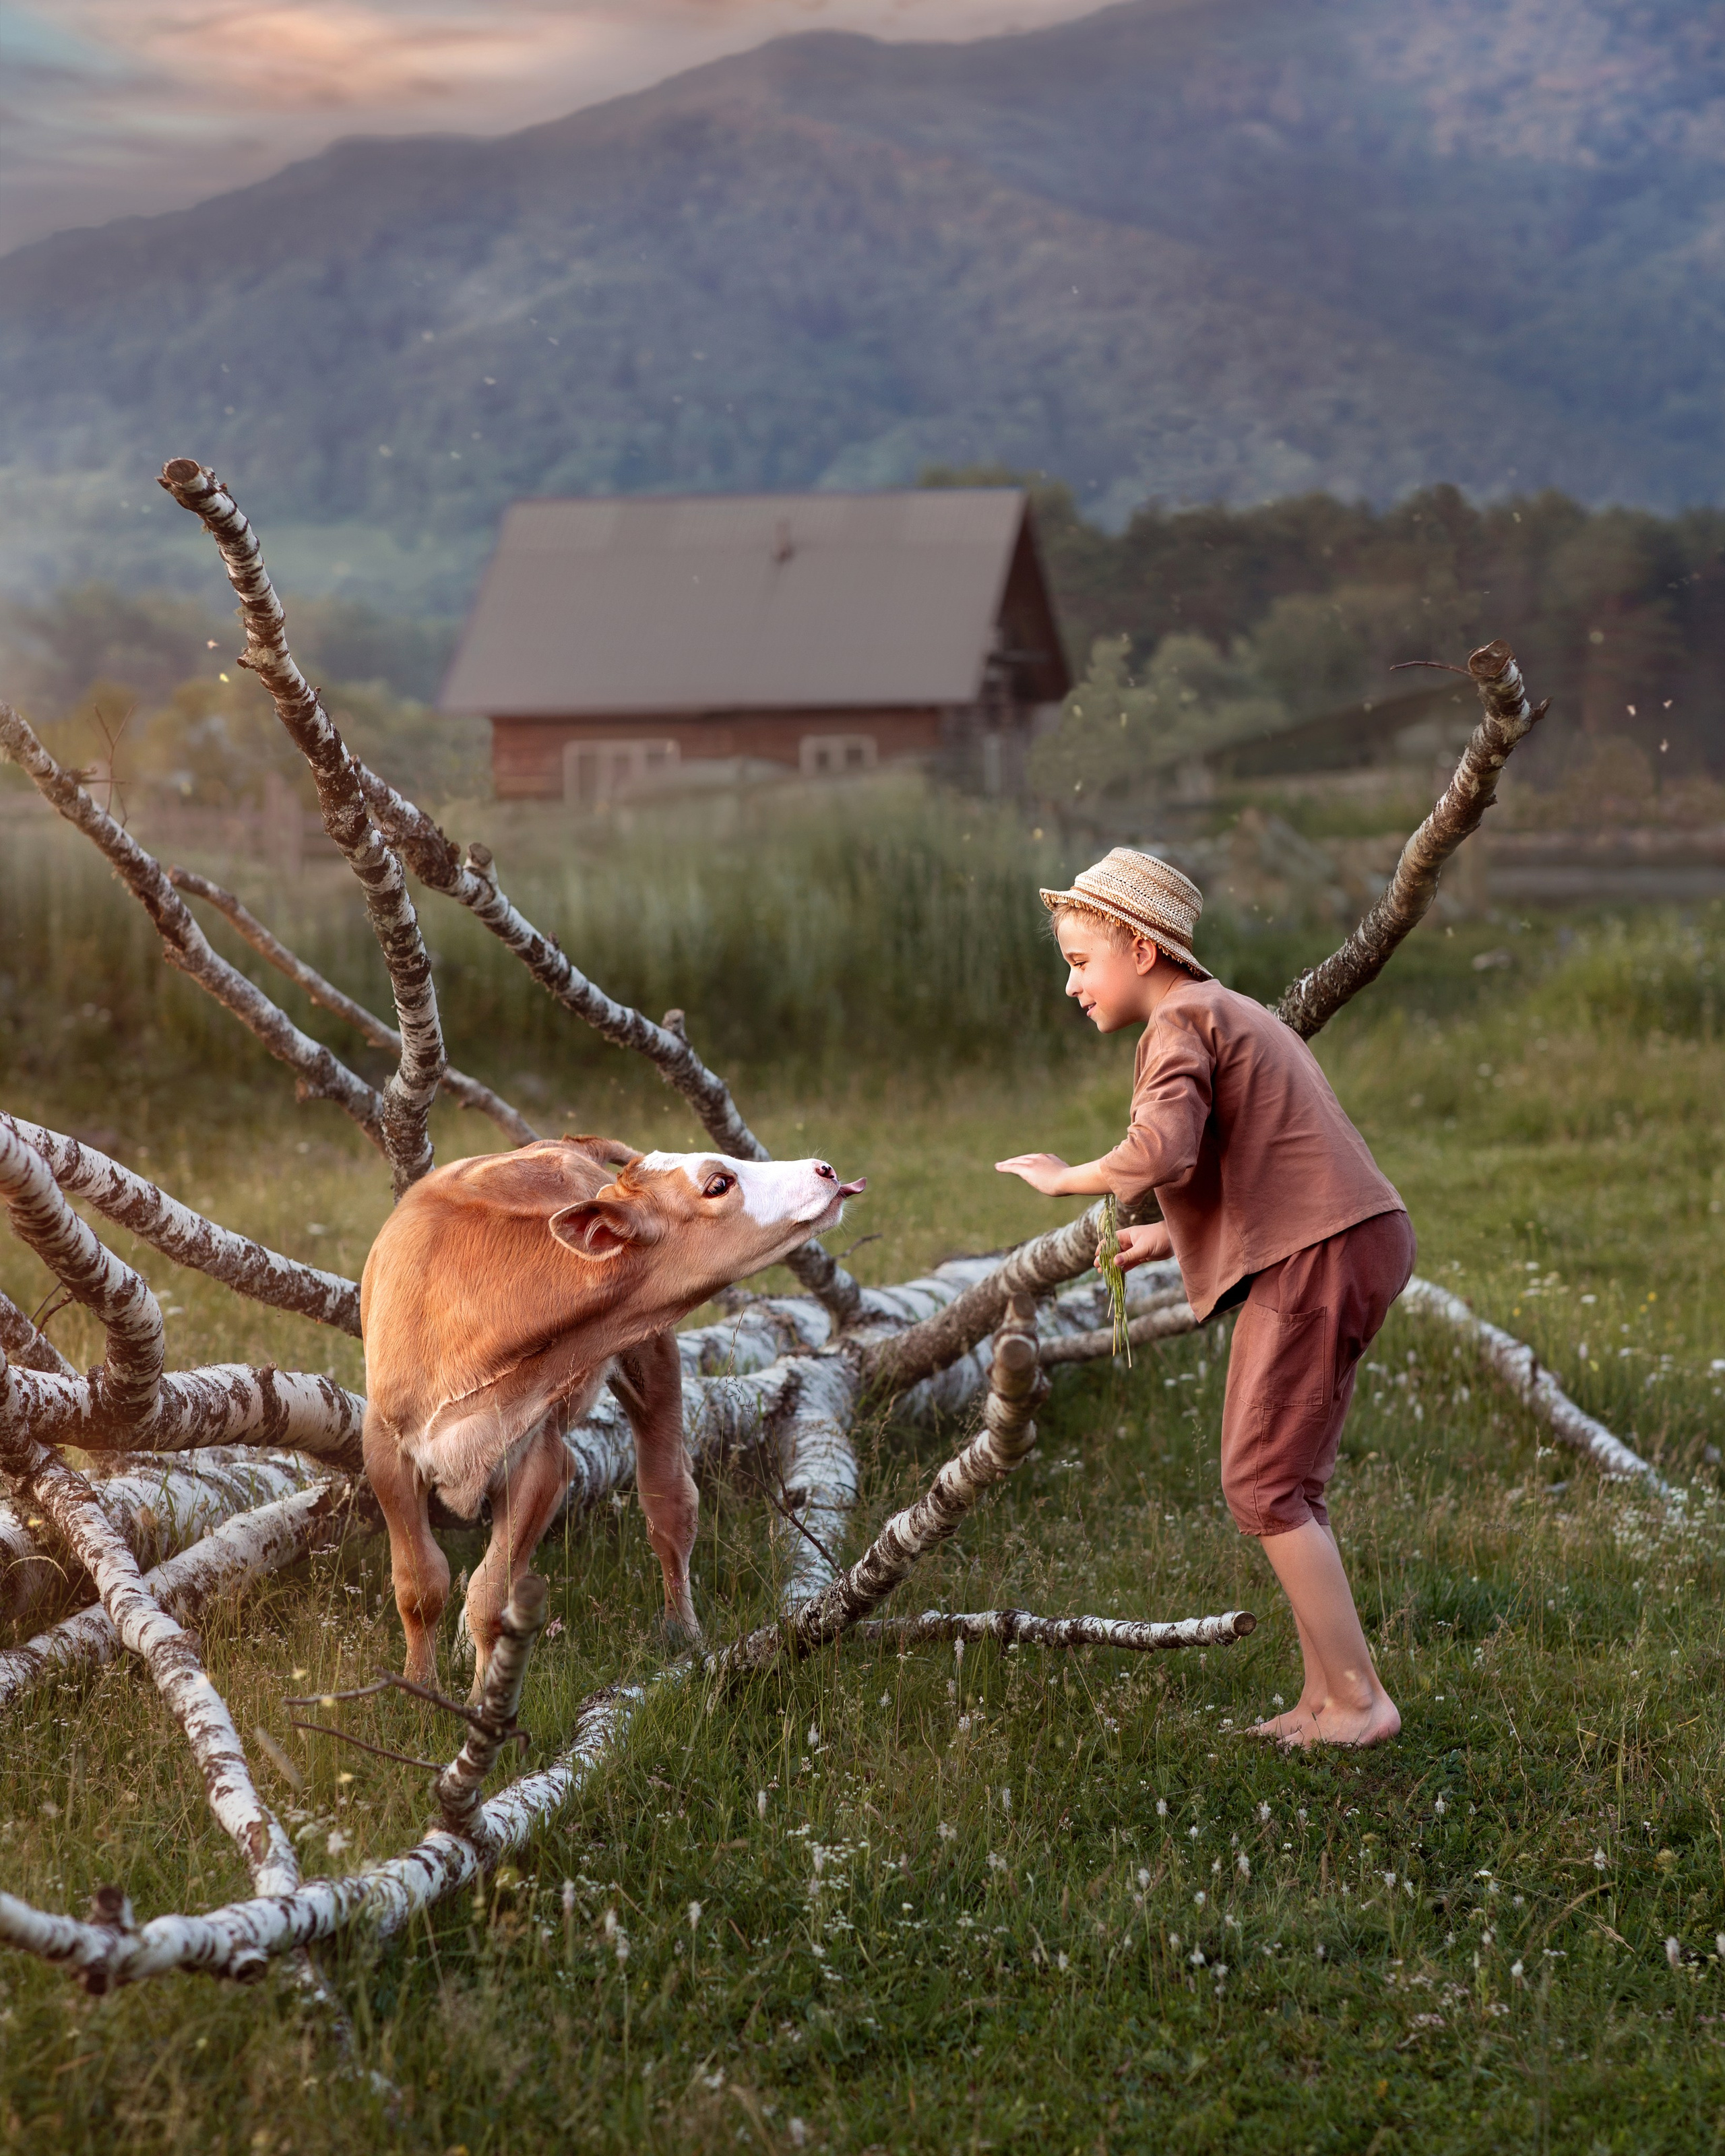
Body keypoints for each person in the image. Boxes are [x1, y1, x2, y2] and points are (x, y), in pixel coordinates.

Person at [996, 847, 1414, 1748]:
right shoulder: (1227, 1011)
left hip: (1324, 1253)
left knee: (1259, 1482)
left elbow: (1163, 1152)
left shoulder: (1178, 1022)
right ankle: (1324, 1696)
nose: (1071, 986)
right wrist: (1163, 1237)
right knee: (1289, 1483)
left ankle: (1359, 1703)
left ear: (1141, 951)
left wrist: (1069, 1178)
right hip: (1352, 1237)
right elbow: (1263, 1158)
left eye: (1079, 962)